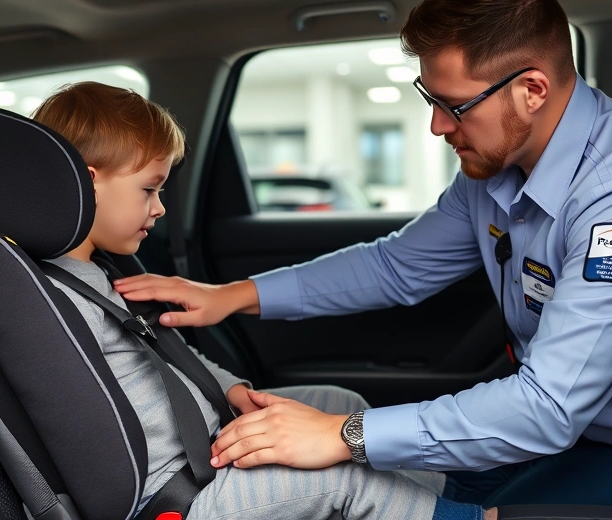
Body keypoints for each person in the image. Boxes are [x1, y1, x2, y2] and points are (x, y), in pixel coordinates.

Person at [113, 0, 612, 517]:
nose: (438, 125)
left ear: (533, 89)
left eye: (454, 105)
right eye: (428, 98)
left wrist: (343, 433)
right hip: (567, 431)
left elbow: (549, 406)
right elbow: (396, 267)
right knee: (399, 496)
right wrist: (231, 295)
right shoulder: (500, 162)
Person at [32, 81, 491, 520]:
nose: (160, 208)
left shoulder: (106, 271)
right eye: (149, 190)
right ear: (87, 183)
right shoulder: (52, 301)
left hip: (206, 443)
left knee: (337, 401)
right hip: (180, 493)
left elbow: (170, 355)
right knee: (340, 474)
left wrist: (230, 392)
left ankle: (437, 498)